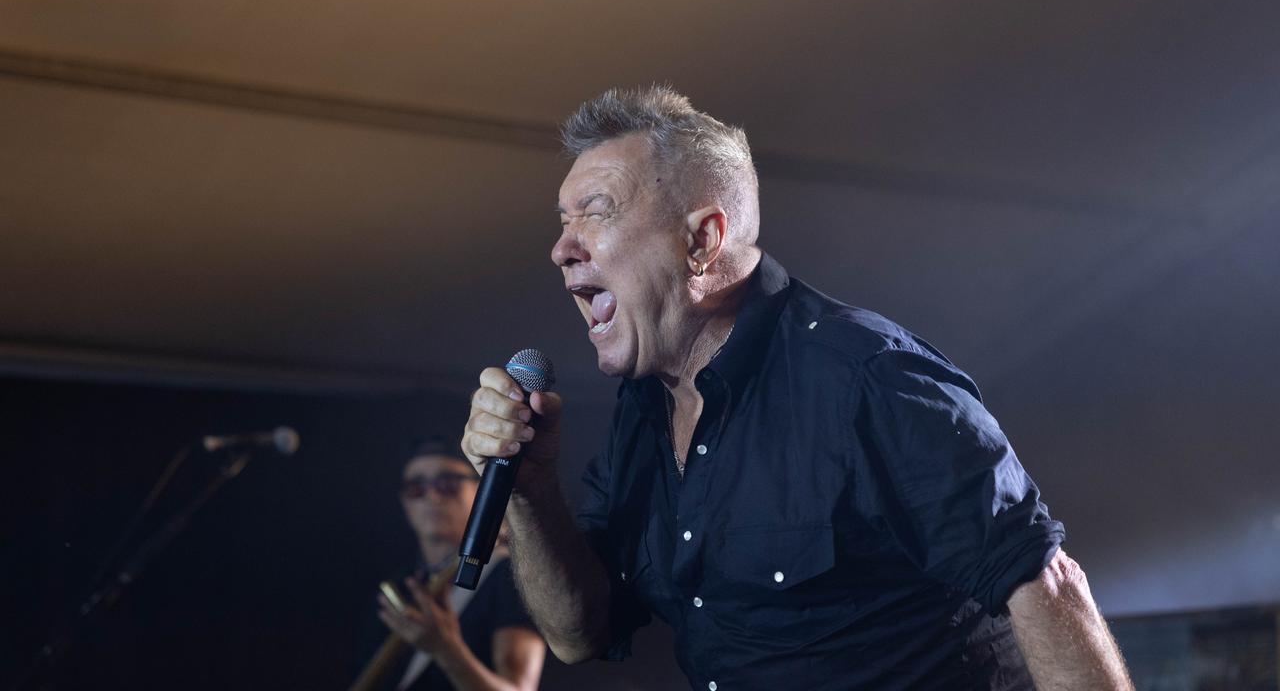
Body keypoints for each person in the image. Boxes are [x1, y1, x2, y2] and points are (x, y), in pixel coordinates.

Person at [461, 86, 1133, 690]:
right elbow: (578, 633)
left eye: (595, 214)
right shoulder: (644, 413)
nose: (561, 248)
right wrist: (530, 488)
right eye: (562, 219)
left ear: (702, 241)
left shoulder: (867, 378)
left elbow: (1044, 586)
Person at [367, 439, 544, 691]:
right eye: (416, 488)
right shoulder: (398, 585)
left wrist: (446, 649)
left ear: (480, 490)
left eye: (447, 484)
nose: (431, 496)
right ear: (404, 502)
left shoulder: (510, 575)